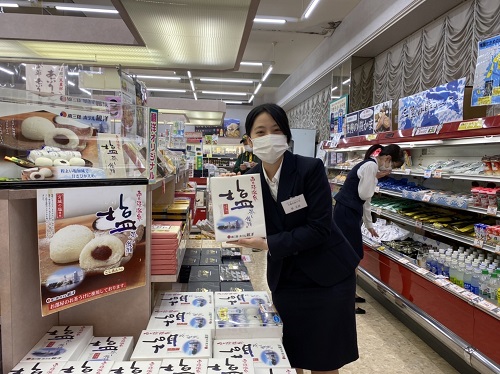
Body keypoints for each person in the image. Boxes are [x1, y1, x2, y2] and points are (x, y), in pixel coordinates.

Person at [226, 103, 360, 374]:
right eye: (260, 132)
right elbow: (251, 224)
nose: (269, 137)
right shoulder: (249, 181)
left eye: (276, 130)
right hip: (286, 279)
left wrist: (268, 244)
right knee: (291, 353)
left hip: (327, 277)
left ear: (286, 136)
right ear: (249, 141)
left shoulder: (310, 169)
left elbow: (320, 228)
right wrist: (227, 196)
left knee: (324, 359)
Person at [333, 143, 403, 314]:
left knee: (351, 254)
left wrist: (369, 224)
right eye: (392, 166)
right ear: (387, 158)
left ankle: (350, 294)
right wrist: (377, 178)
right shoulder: (371, 166)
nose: (390, 170)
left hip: (347, 212)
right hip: (346, 214)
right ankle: (346, 300)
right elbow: (365, 195)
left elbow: (365, 201)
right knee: (351, 256)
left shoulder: (369, 165)